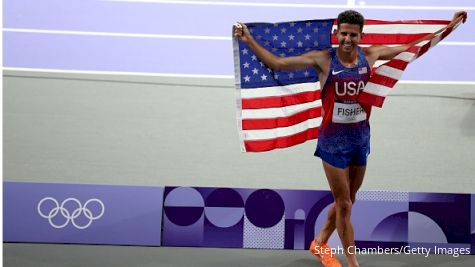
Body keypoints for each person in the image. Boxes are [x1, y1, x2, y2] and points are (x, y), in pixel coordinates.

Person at [234, 10, 467, 267]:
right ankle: (352, 262)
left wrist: (450, 26)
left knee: (349, 199)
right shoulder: (323, 59)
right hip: (333, 143)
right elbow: (278, 63)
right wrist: (248, 40)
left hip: (360, 139)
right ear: (337, 34)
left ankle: (320, 242)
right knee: (344, 204)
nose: (347, 38)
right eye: (343, 33)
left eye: (353, 34)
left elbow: (412, 45)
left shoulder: (371, 55)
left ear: (360, 35)